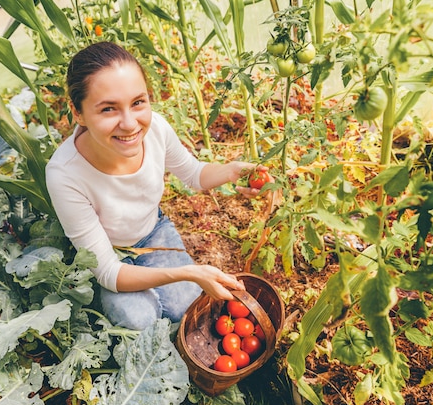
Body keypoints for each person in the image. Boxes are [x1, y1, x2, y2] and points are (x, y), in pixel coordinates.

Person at [46, 41, 270, 330]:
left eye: (138, 102)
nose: (129, 124)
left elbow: (194, 174)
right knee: (138, 321)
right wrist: (189, 272)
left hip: (153, 233)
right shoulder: (65, 175)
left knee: (189, 310)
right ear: (78, 113)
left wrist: (231, 171)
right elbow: (109, 272)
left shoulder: (156, 131)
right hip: (110, 254)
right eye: (108, 109)